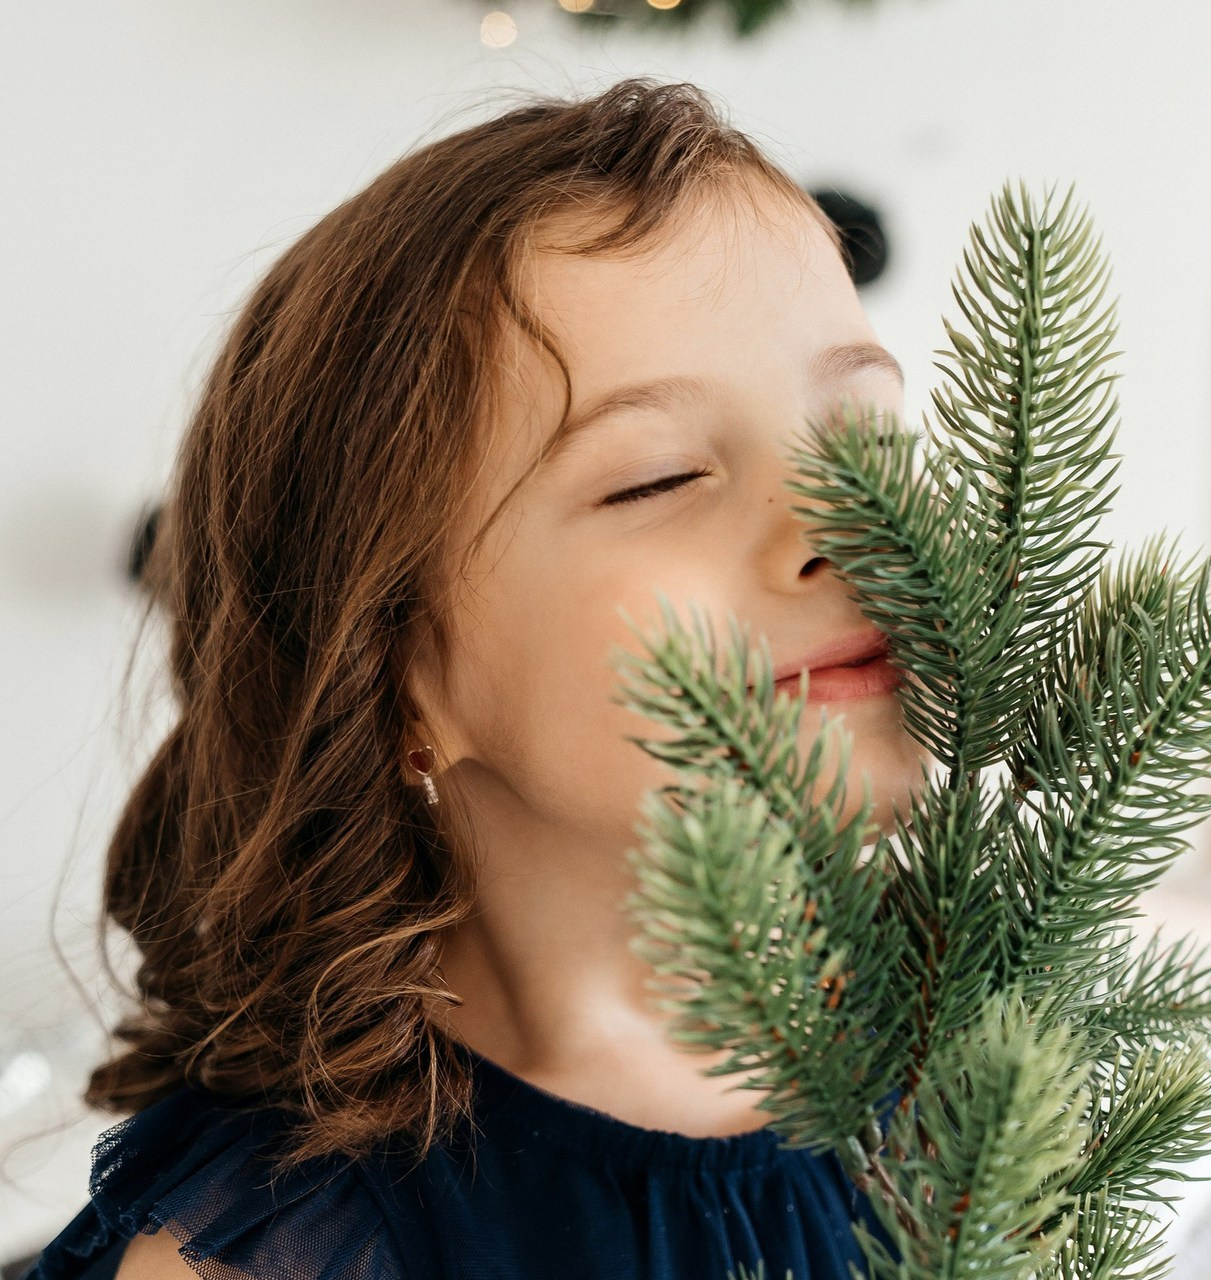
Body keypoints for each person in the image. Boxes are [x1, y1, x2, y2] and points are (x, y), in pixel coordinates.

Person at [22, 76, 930, 1280]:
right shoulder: (276, 1248)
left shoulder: (974, 1026)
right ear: (391, 676)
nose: (835, 519)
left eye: (863, 436)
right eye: (654, 476)